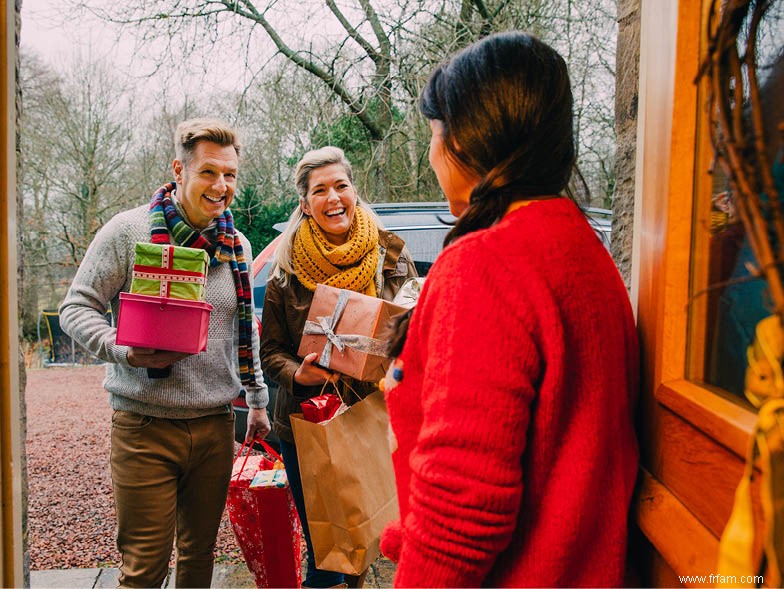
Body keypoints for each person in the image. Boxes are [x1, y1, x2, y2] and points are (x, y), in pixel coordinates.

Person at [379, 32, 639, 587]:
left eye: (433, 136)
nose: (430, 156)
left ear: (465, 142)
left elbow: (460, 509)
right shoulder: (580, 247)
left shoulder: (485, 264)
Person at [59, 118, 270, 588]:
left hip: (215, 426)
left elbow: (243, 330)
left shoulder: (236, 246)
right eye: (209, 172)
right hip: (144, 427)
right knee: (144, 567)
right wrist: (123, 349)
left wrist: (257, 400)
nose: (221, 186)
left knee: (198, 562)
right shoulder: (128, 232)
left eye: (230, 174)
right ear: (179, 169)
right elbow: (76, 307)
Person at [259, 146, 417, 588]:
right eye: (320, 190)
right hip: (308, 424)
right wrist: (298, 373)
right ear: (305, 204)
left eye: (341, 186)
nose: (333, 198)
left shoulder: (390, 256)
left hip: (376, 418)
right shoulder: (286, 271)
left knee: (378, 533)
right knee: (327, 550)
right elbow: (270, 351)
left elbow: (411, 331)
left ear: (354, 191)